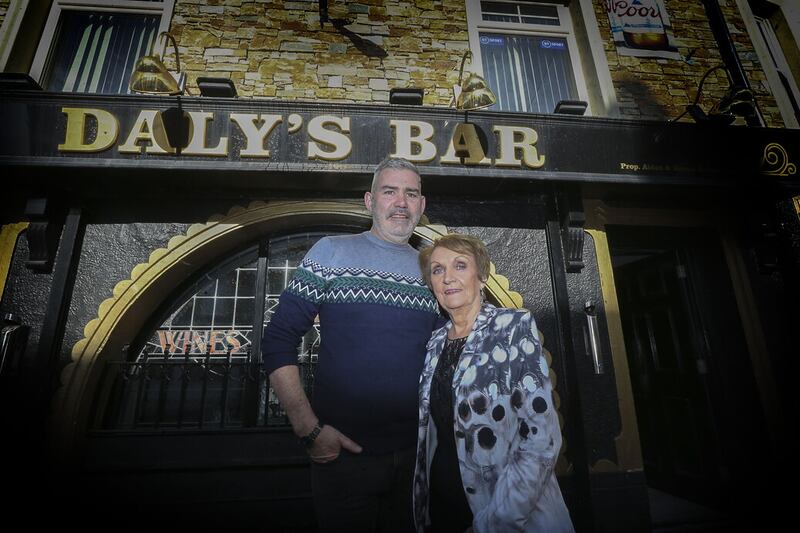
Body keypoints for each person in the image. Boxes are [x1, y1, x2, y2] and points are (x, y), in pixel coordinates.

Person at [262, 157, 440, 533]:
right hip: (343, 458)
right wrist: (308, 430)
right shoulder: (332, 252)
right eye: (389, 191)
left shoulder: (432, 270)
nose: (401, 202)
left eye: (411, 193)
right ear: (369, 200)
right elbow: (278, 339)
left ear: (422, 206)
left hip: (415, 459)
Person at [413, 234, 574, 533]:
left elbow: (541, 441)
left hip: (507, 516)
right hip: (443, 508)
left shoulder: (513, 327)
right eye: (437, 270)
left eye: (460, 265)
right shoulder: (435, 343)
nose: (447, 277)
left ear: (482, 277)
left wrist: (494, 523)